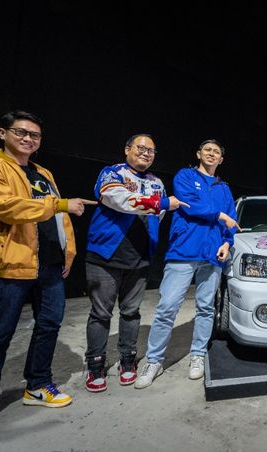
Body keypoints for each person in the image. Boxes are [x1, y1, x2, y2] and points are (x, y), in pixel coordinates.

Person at [0, 110, 96, 444]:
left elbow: (60, 219)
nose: (28, 139)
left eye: (35, 135)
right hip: (10, 263)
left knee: (49, 326)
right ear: (3, 133)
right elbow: (5, 207)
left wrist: (68, 252)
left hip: (49, 265)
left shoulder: (43, 173)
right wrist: (59, 205)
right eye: (21, 132)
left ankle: (37, 385)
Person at [83, 134, 188, 392]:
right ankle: (95, 363)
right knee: (101, 313)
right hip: (105, 256)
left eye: (151, 151)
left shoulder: (156, 182)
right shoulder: (112, 173)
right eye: (141, 148)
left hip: (140, 258)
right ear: (127, 149)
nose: (146, 153)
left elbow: (158, 216)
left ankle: (128, 359)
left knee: (131, 312)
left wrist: (156, 216)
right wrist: (162, 203)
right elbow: (119, 200)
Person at [135, 139, 239, 388]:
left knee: (205, 308)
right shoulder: (185, 176)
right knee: (167, 308)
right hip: (183, 253)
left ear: (221, 159)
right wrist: (219, 215)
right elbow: (191, 205)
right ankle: (154, 360)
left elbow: (232, 220)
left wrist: (227, 243)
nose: (211, 154)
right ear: (198, 154)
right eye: (207, 150)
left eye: (216, 152)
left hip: (212, 256)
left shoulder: (224, 188)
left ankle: (198, 355)